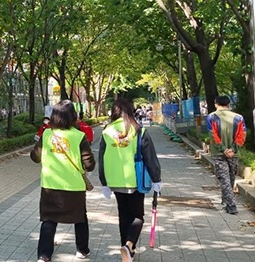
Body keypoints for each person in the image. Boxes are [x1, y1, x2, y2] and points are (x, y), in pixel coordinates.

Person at [30, 100, 96, 261]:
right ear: (73, 116)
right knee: (80, 218)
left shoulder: (46, 134)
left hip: (50, 186)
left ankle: (44, 255)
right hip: (74, 187)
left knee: (49, 220)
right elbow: (90, 165)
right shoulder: (79, 136)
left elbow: (35, 157)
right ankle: (82, 250)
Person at [99, 98, 161, 262]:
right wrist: (156, 179)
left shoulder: (107, 131)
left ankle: (127, 251)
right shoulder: (138, 130)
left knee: (123, 215)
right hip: (134, 180)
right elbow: (150, 157)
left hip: (114, 180)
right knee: (137, 216)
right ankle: (129, 244)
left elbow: (102, 158)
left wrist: (104, 182)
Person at [206, 96, 246, 214]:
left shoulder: (211, 117)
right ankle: (227, 202)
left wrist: (223, 149)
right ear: (228, 104)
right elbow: (242, 135)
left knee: (224, 179)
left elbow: (213, 135)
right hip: (234, 154)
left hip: (219, 153)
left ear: (216, 104)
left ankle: (231, 205)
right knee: (231, 178)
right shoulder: (239, 118)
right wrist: (233, 149)